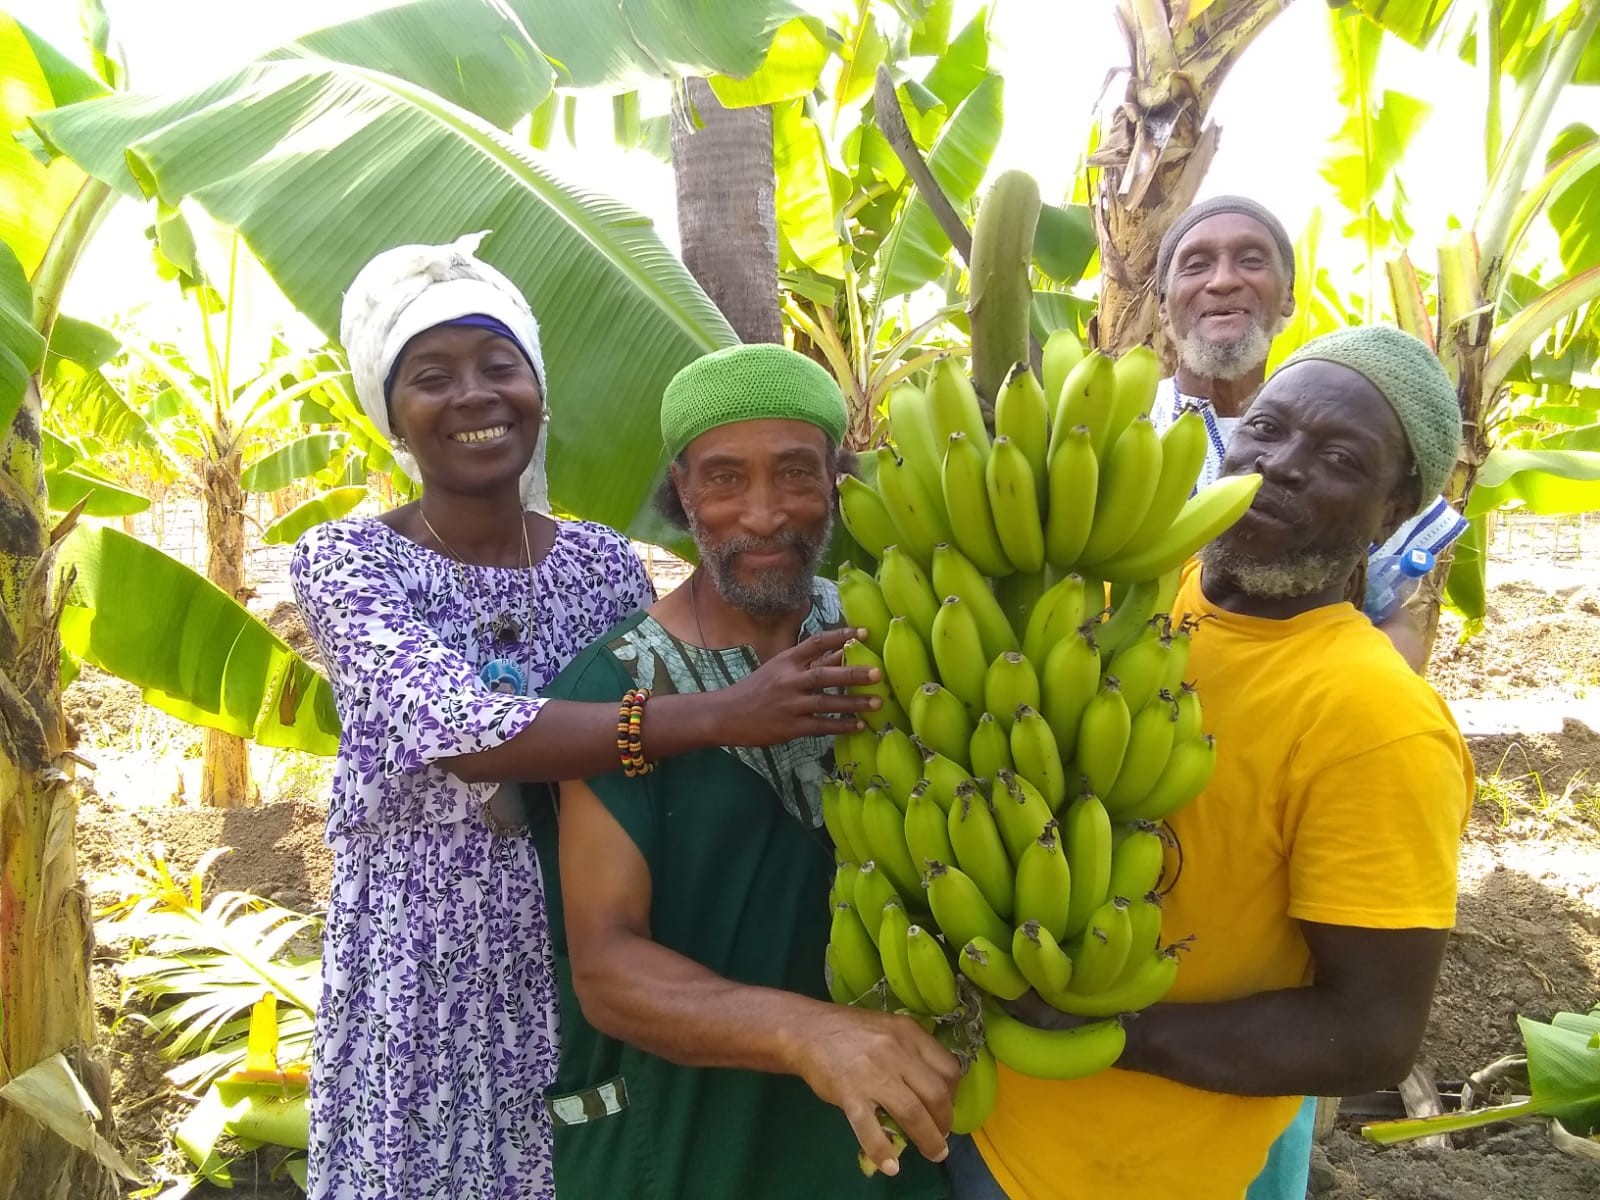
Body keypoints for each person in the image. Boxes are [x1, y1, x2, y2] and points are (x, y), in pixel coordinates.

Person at [290, 239, 886, 1200]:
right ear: (390, 413)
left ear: (537, 388)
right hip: (431, 970)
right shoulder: (352, 562)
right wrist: (723, 715)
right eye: (431, 377)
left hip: (582, 956)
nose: (475, 396)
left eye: (500, 367)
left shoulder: (601, 563)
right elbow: (463, 731)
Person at [948, 326, 1475, 1200]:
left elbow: (1373, 1033)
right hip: (969, 1115)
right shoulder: (1132, 591)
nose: (1284, 464)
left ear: (1394, 508)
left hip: (1127, 1175)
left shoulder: (1375, 721)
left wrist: (1111, 1028)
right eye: (1268, 429)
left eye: (1341, 456)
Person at [531, 343, 959, 1199]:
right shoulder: (616, 687)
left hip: (881, 1136)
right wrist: (809, 1034)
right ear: (682, 489)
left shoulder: (899, 640)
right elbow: (608, 967)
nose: (764, 515)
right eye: (725, 480)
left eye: (796, 474)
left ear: (837, 480)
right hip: (693, 1137)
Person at [1150, 195, 1467, 669]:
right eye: (1196, 265)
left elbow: (1389, 612)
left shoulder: (1369, 426)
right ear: (1161, 304)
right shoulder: (1112, 424)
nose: (1223, 280)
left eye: (1251, 260)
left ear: (1289, 297)